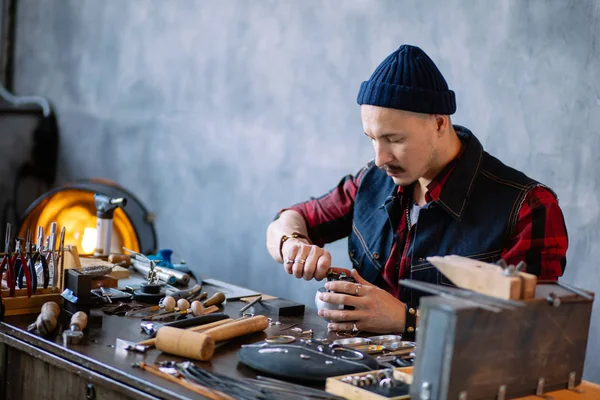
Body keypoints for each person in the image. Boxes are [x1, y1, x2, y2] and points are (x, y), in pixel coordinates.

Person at [266, 44, 568, 338]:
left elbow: (532, 334)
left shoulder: (528, 207)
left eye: (394, 139)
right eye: (372, 138)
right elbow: (290, 219)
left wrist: (406, 320)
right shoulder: (373, 178)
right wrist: (292, 244)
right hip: (361, 374)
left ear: (438, 123)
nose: (380, 158)